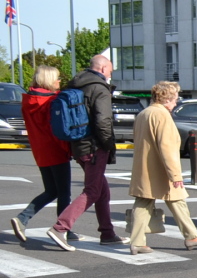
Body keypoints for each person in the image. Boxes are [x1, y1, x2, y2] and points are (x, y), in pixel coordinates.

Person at [45, 54, 124, 250]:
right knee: (92, 191)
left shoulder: (75, 84)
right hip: (94, 147)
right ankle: (60, 228)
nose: (110, 75)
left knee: (101, 190)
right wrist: (109, 145)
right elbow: (103, 121)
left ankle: (107, 233)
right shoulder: (100, 88)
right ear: (103, 69)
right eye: (110, 71)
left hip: (77, 144)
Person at [125, 81, 197, 255]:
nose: (176, 102)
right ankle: (191, 236)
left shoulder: (144, 113)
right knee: (177, 200)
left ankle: (137, 242)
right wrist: (175, 175)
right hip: (161, 169)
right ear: (167, 99)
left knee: (143, 202)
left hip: (145, 167)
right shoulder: (162, 115)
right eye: (175, 99)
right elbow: (167, 147)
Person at [11, 66, 73, 242]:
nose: (59, 81)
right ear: (49, 80)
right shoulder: (52, 101)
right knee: (63, 193)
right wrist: (68, 149)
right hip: (55, 149)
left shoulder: (28, 99)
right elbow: (56, 128)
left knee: (52, 190)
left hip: (39, 150)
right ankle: (62, 229)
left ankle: (23, 219)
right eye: (57, 78)